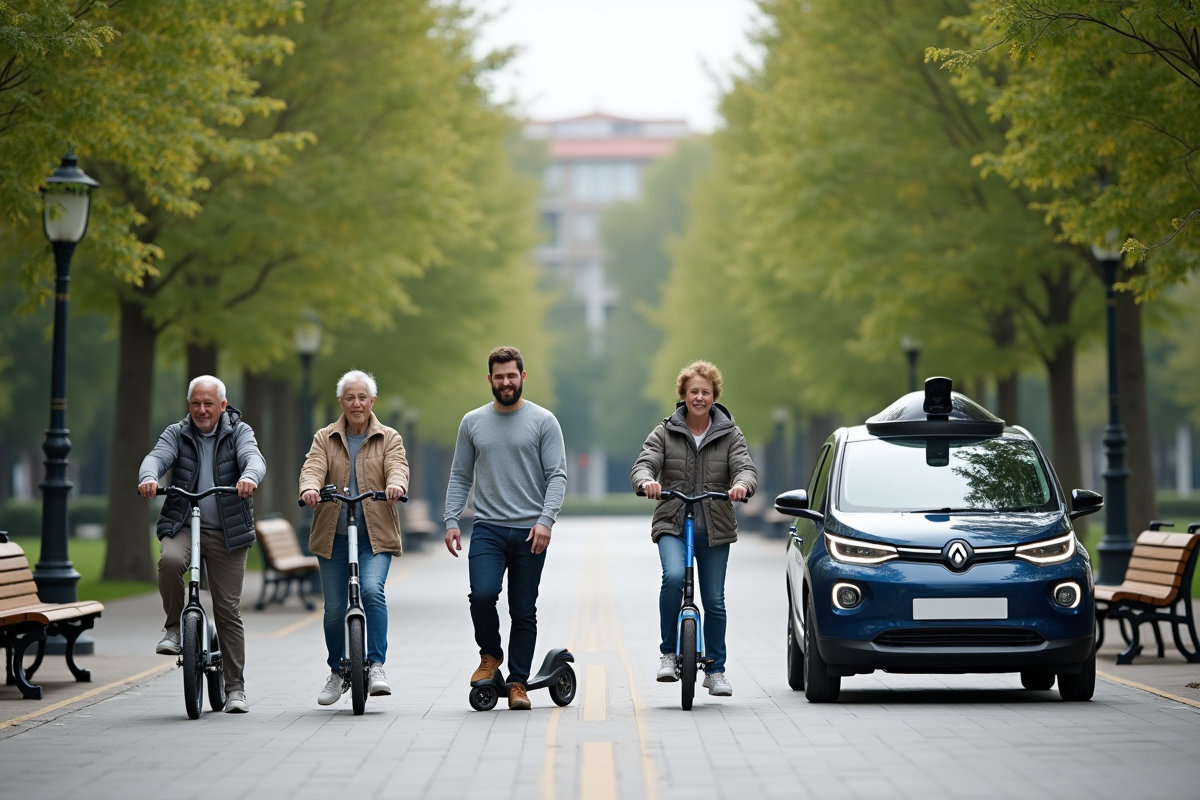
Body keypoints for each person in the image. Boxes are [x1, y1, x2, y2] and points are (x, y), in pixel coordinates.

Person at [444, 346, 567, 710]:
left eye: (512, 375)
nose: (506, 382)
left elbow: (557, 476)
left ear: (522, 377)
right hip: (488, 528)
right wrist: (451, 520)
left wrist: (546, 520)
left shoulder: (544, 421)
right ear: (490, 380)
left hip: (531, 531)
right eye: (499, 377)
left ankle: (518, 683)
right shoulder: (472, 422)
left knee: (523, 609)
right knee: (482, 595)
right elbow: (460, 475)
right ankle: (490, 654)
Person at [138, 375, 266, 714]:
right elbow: (156, 457)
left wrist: (248, 476)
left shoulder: (239, 431)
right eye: (196, 403)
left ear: (223, 405)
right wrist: (148, 477)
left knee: (227, 609)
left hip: (228, 531)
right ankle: (173, 629)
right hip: (183, 523)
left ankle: (235, 689)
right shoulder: (176, 433)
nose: (202, 410)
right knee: (170, 561)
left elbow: (254, 458)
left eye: (209, 403)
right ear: (189, 404)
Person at [630, 360, 757, 697]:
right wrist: (646, 481)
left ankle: (715, 670)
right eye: (693, 392)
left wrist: (741, 485)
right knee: (673, 578)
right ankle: (668, 653)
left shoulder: (730, 434)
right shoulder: (665, 431)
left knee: (714, 600)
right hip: (673, 521)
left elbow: (745, 467)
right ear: (683, 395)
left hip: (715, 525)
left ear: (715, 396)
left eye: (706, 392)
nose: (699, 397)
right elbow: (645, 462)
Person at [300, 369, 408, 706]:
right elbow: (313, 467)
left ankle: (376, 666)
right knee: (334, 608)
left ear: (372, 401)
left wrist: (396, 484)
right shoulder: (325, 437)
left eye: (362, 397)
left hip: (374, 538)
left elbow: (397, 466)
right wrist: (310, 488)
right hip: (333, 537)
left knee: (372, 591)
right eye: (350, 397)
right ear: (341, 402)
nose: (356, 403)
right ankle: (337, 672)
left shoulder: (389, 437)